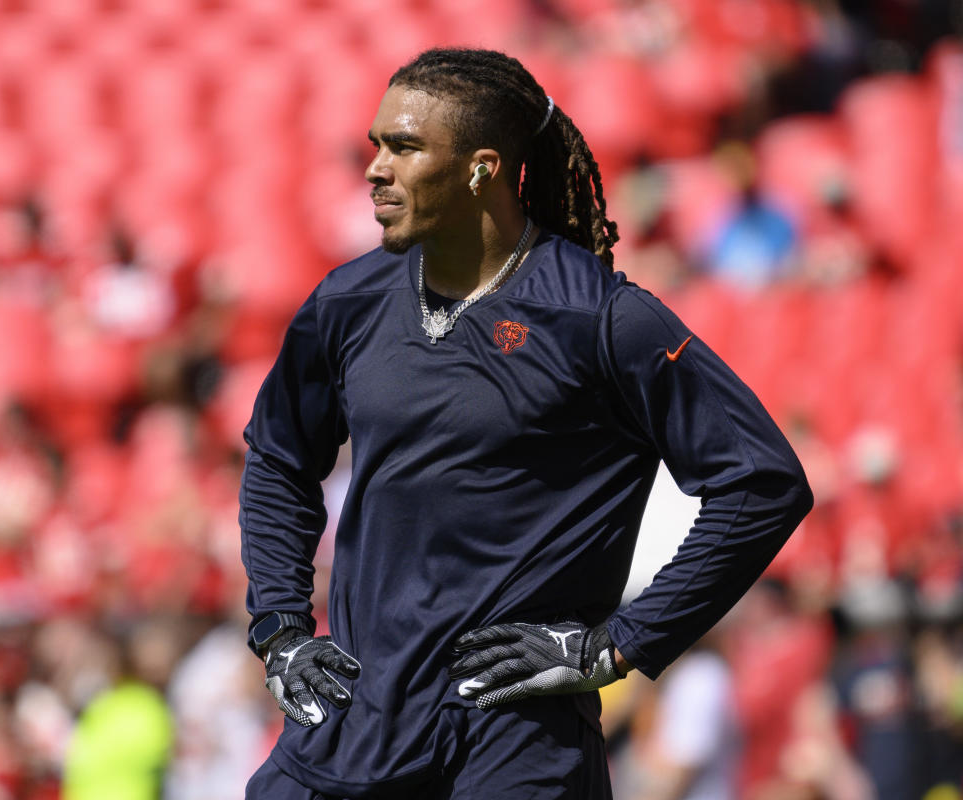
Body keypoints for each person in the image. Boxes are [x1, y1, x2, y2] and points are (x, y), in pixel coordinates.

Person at [239, 47, 813, 798]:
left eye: (404, 148)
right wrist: (281, 628)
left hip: (514, 749)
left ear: (481, 167)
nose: (376, 168)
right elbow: (279, 458)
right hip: (348, 731)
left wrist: (618, 647)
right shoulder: (346, 300)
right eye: (375, 145)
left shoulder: (601, 318)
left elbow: (763, 483)